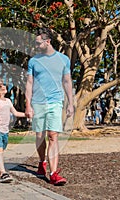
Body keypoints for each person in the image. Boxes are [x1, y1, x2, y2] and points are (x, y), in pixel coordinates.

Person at [25, 28, 74, 186]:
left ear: (48, 42)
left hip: (55, 102)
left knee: (53, 135)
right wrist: (28, 105)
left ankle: (53, 173)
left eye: (39, 43)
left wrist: (71, 103)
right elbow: (29, 84)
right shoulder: (33, 61)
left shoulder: (63, 59)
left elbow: (67, 81)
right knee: (40, 137)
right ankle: (41, 162)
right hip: (38, 103)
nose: (36, 46)